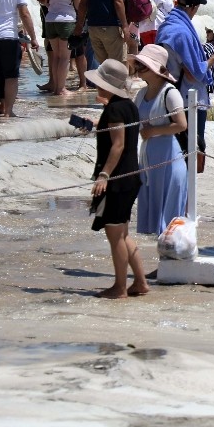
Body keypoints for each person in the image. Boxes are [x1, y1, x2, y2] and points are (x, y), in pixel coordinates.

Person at [86, 58, 147, 299]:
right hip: (131, 176)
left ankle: (120, 287)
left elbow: (118, 145)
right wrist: (96, 125)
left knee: (115, 235)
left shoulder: (114, 109)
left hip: (118, 180)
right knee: (123, 233)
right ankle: (140, 282)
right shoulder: (128, 106)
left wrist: (104, 175)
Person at [130, 44, 188, 236]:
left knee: (168, 223)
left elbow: (182, 125)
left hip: (168, 160)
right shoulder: (141, 94)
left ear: (156, 69)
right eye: (138, 64)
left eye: (143, 65)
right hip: (148, 161)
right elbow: (130, 121)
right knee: (150, 219)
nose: (138, 68)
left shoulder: (170, 93)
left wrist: (153, 131)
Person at [157, 0, 211, 171]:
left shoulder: (165, 27)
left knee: (175, 151)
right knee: (191, 152)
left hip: (168, 94)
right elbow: (193, 73)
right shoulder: (182, 33)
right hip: (188, 99)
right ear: (193, 8)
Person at [43, 0, 80, 96]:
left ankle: (56, 87)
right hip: (67, 20)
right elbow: (78, 5)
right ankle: (61, 89)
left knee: (56, 56)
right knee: (64, 57)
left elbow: (46, 2)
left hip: (50, 20)